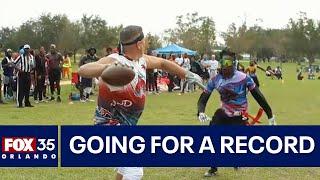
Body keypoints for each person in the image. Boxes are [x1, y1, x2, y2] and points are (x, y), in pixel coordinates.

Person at [78, 25, 202, 180]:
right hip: (108, 126)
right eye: (145, 41)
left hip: (126, 127)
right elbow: (83, 69)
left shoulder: (141, 60)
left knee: (124, 170)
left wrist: (187, 74)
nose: (146, 43)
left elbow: (163, 64)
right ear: (139, 44)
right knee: (134, 171)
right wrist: (106, 67)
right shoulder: (116, 60)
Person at [197, 49, 276, 177]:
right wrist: (201, 111)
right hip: (223, 114)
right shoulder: (215, 80)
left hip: (239, 116)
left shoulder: (244, 78)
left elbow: (259, 96)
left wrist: (270, 114)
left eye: (228, 62)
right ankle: (213, 167)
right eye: (223, 62)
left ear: (234, 63)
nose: (225, 65)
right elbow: (203, 98)